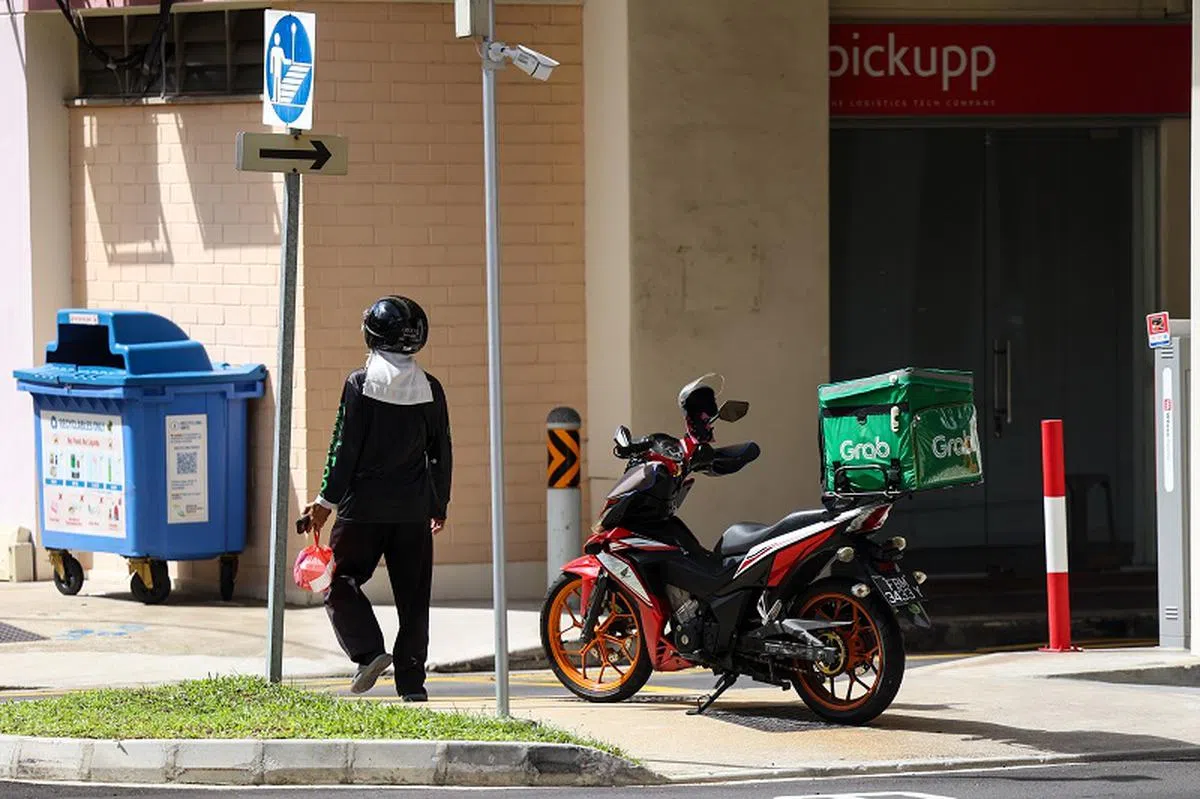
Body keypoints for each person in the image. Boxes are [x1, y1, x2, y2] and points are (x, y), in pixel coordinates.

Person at [302, 296, 452, 700]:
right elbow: (441, 452)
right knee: (414, 599)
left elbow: (343, 448)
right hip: (413, 512)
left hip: (362, 510)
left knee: (338, 580)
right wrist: (438, 506)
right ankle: (412, 686)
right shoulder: (431, 389)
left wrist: (324, 503)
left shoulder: (360, 384)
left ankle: (368, 652)